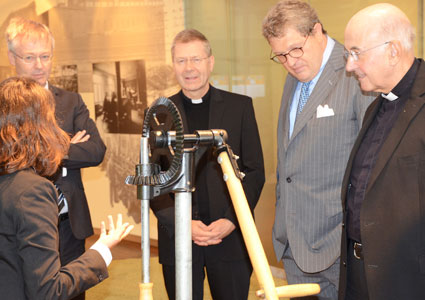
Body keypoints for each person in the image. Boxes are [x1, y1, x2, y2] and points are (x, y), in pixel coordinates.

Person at [261, 1, 374, 299]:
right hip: (293, 242)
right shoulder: (293, 77)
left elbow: (372, 164)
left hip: (338, 245)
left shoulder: (355, 74)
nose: (291, 61)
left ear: (317, 30)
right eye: (281, 55)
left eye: (296, 49)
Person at [150, 29, 265, 300]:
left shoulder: (240, 107)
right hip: (179, 240)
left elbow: (255, 171)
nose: (189, 68)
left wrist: (231, 219)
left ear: (210, 62)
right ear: (173, 65)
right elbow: (153, 181)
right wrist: (182, 223)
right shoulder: (158, 114)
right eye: (181, 61)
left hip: (229, 238)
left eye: (196, 59)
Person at [0, 76, 133, 300]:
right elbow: (48, 290)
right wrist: (101, 250)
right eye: (50, 119)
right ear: (38, 127)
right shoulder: (33, 191)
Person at [5, 18, 106, 300]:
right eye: (29, 57)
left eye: (45, 56)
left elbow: (95, 151)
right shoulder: (3, 102)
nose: (39, 65)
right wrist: (64, 145)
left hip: (69, 224)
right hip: (16, 223)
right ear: (12, 57)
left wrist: (37, 151)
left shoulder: (71, 101)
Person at [339, 4, 425, 300]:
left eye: (356, 52)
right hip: (359, 274)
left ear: (393, 50)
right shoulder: (375, 106)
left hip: (408, 281)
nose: (350, 66)